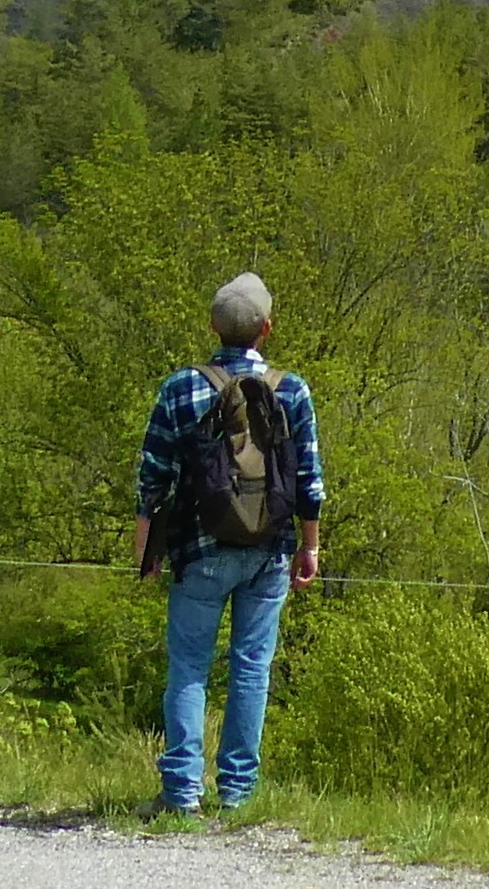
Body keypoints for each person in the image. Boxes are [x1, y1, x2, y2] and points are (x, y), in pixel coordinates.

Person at [133, 270, 326, 815]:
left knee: (190, 667)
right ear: (267, 328)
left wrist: (145, 546)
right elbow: (309, 480)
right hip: (270, 550)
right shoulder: (293, 389)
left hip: (200, 547)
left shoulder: (181, 386)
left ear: (213, 326)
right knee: (251, 668)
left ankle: (181, 794)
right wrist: (309, 547)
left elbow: (154, 475)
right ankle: (237, 796)